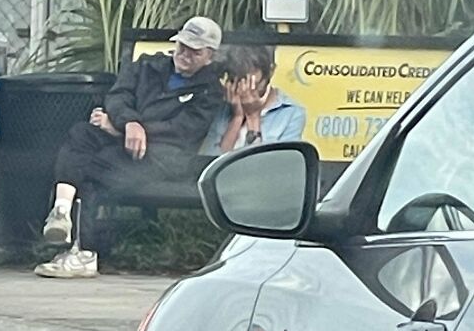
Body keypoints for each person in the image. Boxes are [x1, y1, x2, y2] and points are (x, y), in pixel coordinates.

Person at [35, 16, 224, 278]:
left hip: (162, 158)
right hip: (121, 141)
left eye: (195, 51)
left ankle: (85, 253)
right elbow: (118, 96)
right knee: (82, 134)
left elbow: (181, 132)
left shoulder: (210, 91)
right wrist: (129, 122)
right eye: (182, 46)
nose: (185, 54)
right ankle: (62, 213)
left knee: (90, 169)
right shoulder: (147, 66)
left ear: (209, 56)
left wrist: (123, 127)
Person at [201, 45, 306, 154]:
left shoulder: (291, 113)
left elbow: (268, 165)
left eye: (251, 81)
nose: (244, 88)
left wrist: (253, 117)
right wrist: (237, 117)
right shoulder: (221, 106)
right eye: (239, 80)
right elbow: (211, 158)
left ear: (270, 71)